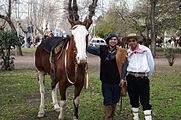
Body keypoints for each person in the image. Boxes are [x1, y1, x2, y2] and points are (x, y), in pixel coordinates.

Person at [87, 33, 127, 120]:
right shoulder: (102, 49)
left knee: (115, 100)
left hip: (117, 81)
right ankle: (107, 117)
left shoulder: (122, 51)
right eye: (111, 39)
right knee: (107, 100)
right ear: (108, 40)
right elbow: (89, 49)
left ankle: (111, 116)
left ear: (117, 41)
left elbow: (124, 66)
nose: (113, 41)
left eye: (115, 39)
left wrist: (123, 78)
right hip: (106, 81)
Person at [123, 34, 154, 120]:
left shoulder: (145, 50)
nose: (132, 42)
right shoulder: (128, 52)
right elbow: (126, 65)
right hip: (131, 77)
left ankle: (148, 117)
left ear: (137, 41)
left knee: (145, 99)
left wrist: (147, 75)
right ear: (128, 42)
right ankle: (135, 117)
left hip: (142, 77)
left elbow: (151, 64)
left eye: (134, 40)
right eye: (129, 41)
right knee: (133, 98)